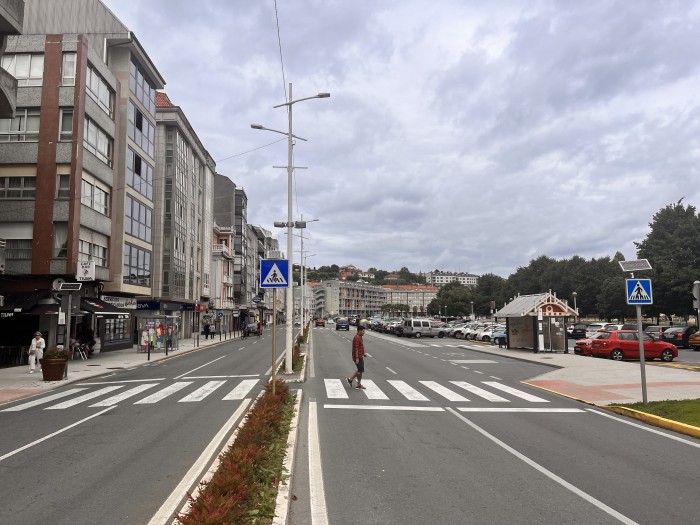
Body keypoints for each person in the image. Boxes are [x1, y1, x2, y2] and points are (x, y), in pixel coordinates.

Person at [346, 324, 366, 389]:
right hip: (358, 356)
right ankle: (352, 380)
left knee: (360, 370)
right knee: (360, 370)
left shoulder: (360, 336)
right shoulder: (357, 337)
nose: (364, 332)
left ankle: (357, 383)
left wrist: (363, 353)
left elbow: (360, 347)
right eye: (363, 331)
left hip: (360, 355)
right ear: (359, 331)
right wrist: (357, 358)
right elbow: (356, 348)